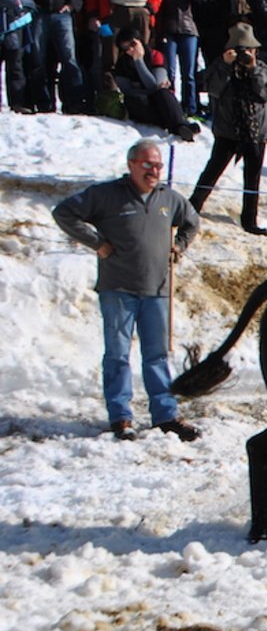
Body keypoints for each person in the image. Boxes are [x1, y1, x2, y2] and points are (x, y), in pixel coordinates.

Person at [51, 137, 202, 441]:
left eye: (158, 165)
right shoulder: (107, 195)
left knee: (157, 355)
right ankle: (121, 417)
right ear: (132, 164)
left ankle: (165, 415)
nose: (154, 170)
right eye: (148, 164)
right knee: (118, 355)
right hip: (118, 288)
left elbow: (192, 222)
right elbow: (64, 213)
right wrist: (97, 243)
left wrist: (179, 245)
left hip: (157, 288)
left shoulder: (168, 199)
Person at [189, 23, 267, 235]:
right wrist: (224, 65)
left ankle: (250, 220)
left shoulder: (262, 69)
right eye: (242, 50)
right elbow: (211, 88)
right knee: (212, 172)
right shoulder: (220, 67)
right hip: (227, 131)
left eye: (250, 50)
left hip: (256, 132)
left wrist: (254, 68)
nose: (246, 54)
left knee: (253, 179)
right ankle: (191, 207)